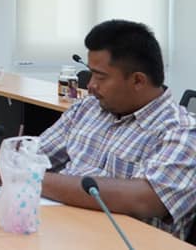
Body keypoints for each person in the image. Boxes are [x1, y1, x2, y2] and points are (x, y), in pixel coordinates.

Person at [37, 19, 196, 239]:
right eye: (90, 73)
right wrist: (5, 159)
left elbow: (145, 199)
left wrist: (33, 179)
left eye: (100, 76)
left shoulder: (183, 132)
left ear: (138, 81)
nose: (90, 85)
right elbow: (34, 155)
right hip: (62, 231)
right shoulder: (87, 108)